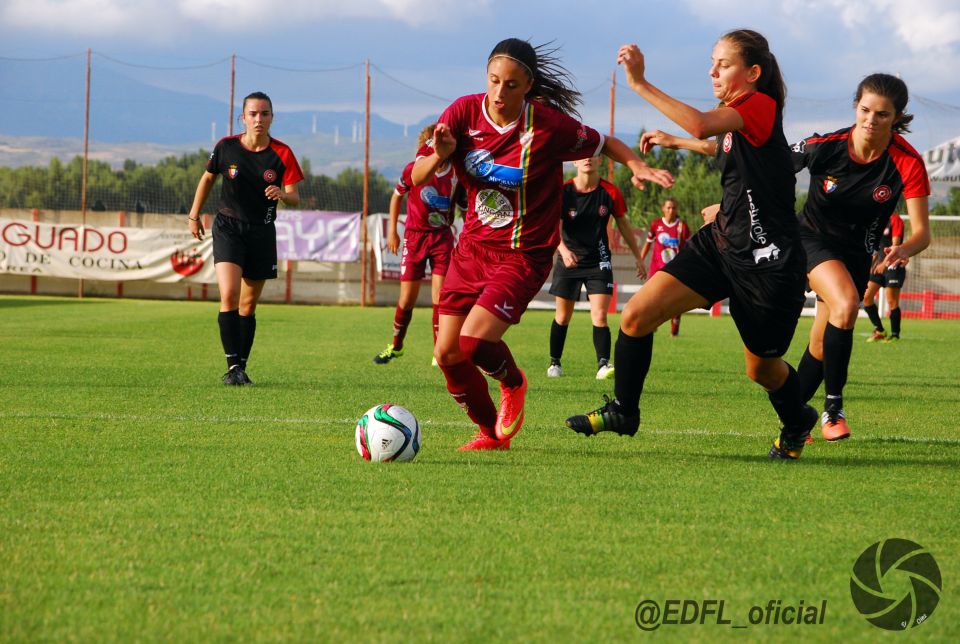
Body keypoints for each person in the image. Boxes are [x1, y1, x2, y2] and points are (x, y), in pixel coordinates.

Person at [414, 38, 674, 451]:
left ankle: (513, 382)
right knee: (447, 355)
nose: (500, 93)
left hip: (522, 255)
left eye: (512, 85)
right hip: (471, 251)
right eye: (494, 81)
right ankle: (490, 436)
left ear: (529, 85)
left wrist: (638, 165)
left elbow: (606, 144)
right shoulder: (463, 112)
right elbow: (418, 176)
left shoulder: (549, 126)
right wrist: (439, 154)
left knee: (474, 343)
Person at [566, 31, 816, 460]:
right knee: (636, 316)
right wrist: (674, 142)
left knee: (761, 370)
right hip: (719, 245)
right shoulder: (735, 115)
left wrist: (640, 84)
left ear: (753, 73)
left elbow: (702, 124)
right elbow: (711, 140)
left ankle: (798, 421)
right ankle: (625, 411)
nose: (712, 71)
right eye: (712, 62)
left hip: (768, 264)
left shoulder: (760, 105)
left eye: (723, 64)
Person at [792, 74, 930, 442]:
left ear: (897, 117)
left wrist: (903, 249)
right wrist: (731, 203)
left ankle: (793, 421)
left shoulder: (908, 163)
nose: (871, 120)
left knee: (822, 344)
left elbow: (922, 233)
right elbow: (766, 165)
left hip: (856, 255)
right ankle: (833, 409)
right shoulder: (826, 145)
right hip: (810, 239)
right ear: (856, 105)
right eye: (865, 110)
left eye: (882, 115)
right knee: (848, 303)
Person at [187, 91, 303, 385]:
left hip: (262, 232)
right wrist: (194, 214)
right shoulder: (226, 147)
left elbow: (295, 197)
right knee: (229, 295)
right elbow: (207, 178)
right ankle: (231, 366)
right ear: (243, 117)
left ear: (272, 118)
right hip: (228, 227)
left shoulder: (283, 154)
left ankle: (240, 367)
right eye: (253, 114)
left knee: (248, 306)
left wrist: (282, 195)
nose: (258, 119)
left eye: (264, 114)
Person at [547, 155, 644, 380]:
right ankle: (555, 362)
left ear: (600, 160)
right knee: (562, 317)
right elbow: (551, 228)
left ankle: (603, 364)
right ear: (573, 162)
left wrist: (638, 257)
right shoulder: (564, 192)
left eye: (593, 155)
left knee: (600, 316)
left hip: (599, 261)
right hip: (568, 260)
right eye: (582, 156)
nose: (588, 159)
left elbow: (624, 226)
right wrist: (563, 251)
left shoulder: (610, 193)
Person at [373, 125, 460, 366]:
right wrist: (393, 231)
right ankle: (397, 346)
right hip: (415, 237)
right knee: (407, 299)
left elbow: (462, 200)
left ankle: (438, 352)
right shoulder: (415, 169)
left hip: (442, 237)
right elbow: (396, 196)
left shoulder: (456, 173)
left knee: (440, 297)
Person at [639, 197, 690, 336]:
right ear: (663, 208)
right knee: (651, 298)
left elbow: (689, 248)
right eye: (668, 207)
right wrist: (640, 260)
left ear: (676, 209)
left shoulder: (682, 227)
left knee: (676, 300)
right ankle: (652, 324)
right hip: (657, 268)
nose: (671, 210)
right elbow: (648, 243)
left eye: (673, 208)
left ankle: (674, 331)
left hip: (675, 269)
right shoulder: (656, 225)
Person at [862, 213, 908, 343]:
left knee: (891, 300)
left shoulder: (895, 219)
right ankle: (880, 330)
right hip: (879, 266)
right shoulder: (878, 220)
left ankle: (894, 335)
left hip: (893, 265)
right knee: (866, 297)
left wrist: (884, 263)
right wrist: (872, 263)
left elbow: (895, 246)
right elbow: (876, 247)